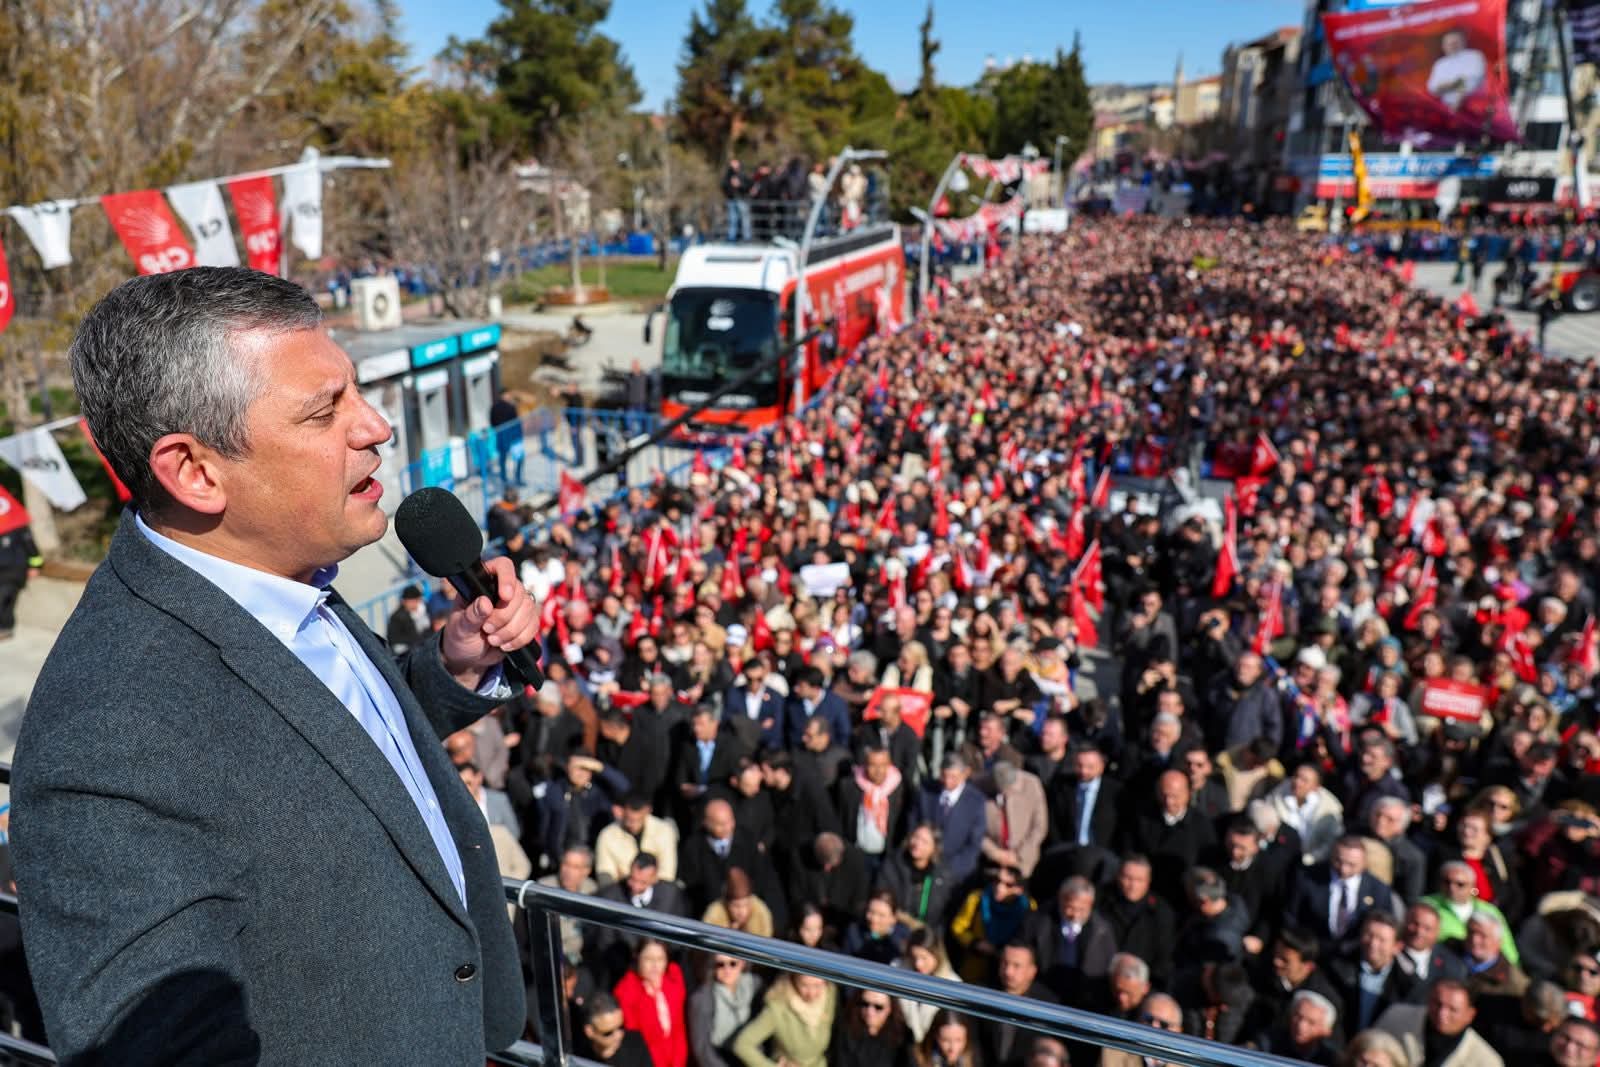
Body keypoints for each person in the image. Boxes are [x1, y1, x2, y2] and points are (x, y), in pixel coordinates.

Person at [14, 267, 539, 1063]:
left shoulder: (277, 573)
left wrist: (446, 673)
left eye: (354, 392)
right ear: (194, 470)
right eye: (325, 411)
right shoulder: (106, 734)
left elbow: (314, 759)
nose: (374, 427)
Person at [733, 972, 836, 1067]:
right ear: (793, 980)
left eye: (817, 986)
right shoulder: (778, 1007)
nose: (811, 993)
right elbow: (742, 1045)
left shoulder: (829, 995)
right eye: (804, 985)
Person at [614, 938, 689, 1067]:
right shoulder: (626, 990)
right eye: (648, 959)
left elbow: (679, 1030)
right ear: (637, 957)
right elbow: (637, 1042)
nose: (655, 965)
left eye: (660, 959)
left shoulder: (673, 978)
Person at [690, 955, 762, 1067]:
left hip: (753, 1057)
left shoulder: (755, 986)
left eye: (733, 963)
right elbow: (702, 1049)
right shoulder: (702, 998)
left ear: (742, 963)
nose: (727, 970)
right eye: (720, 964)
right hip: (720, 1059)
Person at [898, 928, 962, 1042]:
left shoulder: (954, 985)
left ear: (937, 955)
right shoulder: (896, 972)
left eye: (924, 957)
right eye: (914, 957)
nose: (918, 964)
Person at [831, 988, 914, 1067]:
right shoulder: (846, 1030)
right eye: (865, 1004)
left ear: (890, 1009)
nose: (870, 1012)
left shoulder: (902, 1037)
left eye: (878, 1007)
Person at [577, 992, 656, 1067]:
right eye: (608, 1033)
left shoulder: (636, 1043)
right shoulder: (577, 1058)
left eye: (621, 1027)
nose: (618, 1035)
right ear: (589, 1031)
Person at [0, 508, 39, 640]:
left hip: (14, 571)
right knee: (7, 602)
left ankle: (5, 628)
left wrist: (35, 566)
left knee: (4, 596)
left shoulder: (19, 528)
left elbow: (31, 548)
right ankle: (6, 628)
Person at [1427, 29, 1487, 110]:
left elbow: (1472, 82)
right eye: (1448, 43)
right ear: (1443, 46)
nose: (1452, 46)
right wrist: (1457, 83)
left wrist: (1448, 86)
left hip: (1473, 107)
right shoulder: (1440, 64)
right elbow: (1432, 88)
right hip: (1446, 109)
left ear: (1463, 42)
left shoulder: (1474, 56)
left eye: (1455, 42)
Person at [915, 1010, 981, 1067]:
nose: (953, 1048)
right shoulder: (917, 1057)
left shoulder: (975, 1058)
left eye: (959, 1040)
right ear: (935, 1036)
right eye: (945, 1040)